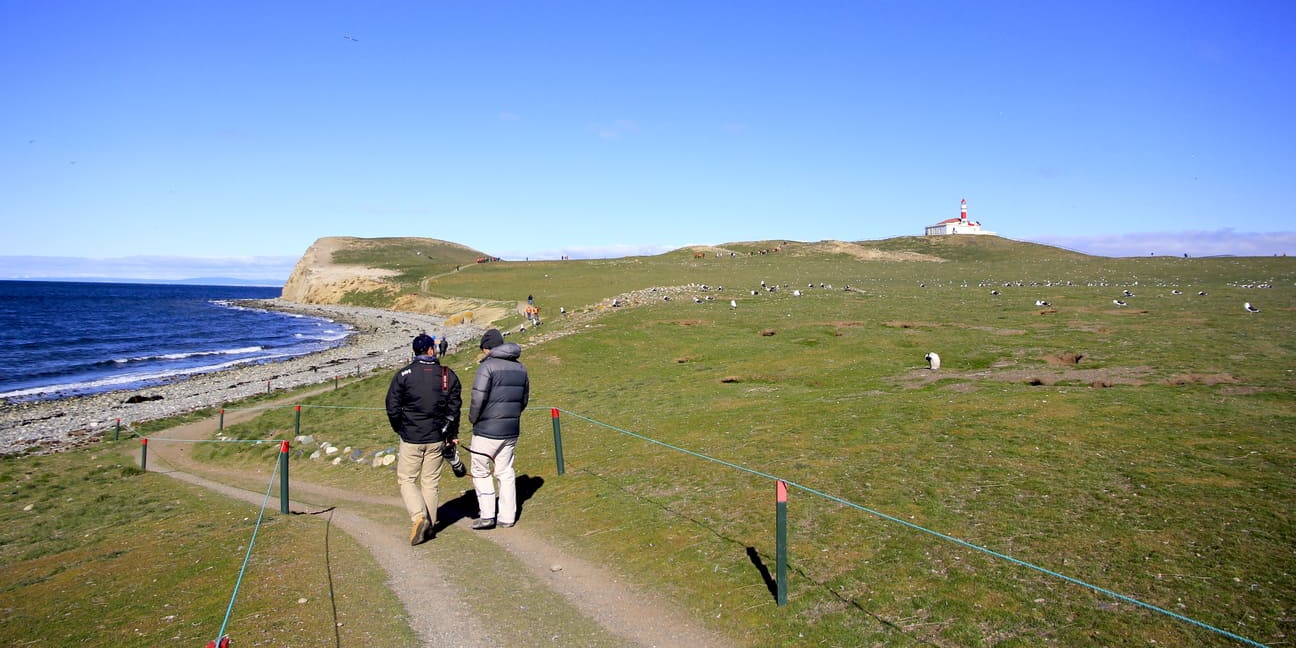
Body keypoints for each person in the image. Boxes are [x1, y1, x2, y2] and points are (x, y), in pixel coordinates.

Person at [386, 333, 462, 545]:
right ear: (430, 350)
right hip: (437, 435)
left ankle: (420, 517)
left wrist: (400, 427)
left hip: (412, 435)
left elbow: (392, 406)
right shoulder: (447, 375)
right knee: (430, 481)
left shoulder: (404, 375)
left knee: (407, 479)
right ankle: (430, 522)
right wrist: (452, 434)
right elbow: (454, 407)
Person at [468, 328, 530, 530]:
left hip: (487, 428)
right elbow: (524, 399)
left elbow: (478, 397)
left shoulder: (487, 367)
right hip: (511, 428)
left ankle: (487, 515)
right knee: (505, 471)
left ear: (487, 348)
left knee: (480, 470)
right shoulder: (520, 367)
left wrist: (473, 419)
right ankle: (507, 516)